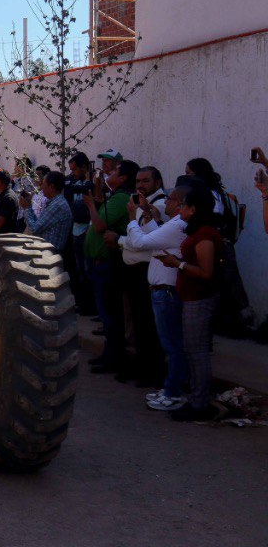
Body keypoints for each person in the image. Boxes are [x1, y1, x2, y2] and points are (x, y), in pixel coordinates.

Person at [155, 186, 224, 422]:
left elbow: (206, 272)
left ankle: (200, 404)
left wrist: (177, 264)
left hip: (200, 299)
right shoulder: (198, 231)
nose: (180, 208)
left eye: (184, 205)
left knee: (197, 353)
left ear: (193, 209)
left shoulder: (205, 235)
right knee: (193, 351)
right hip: (192, 298)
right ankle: (197, 399)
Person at [124, 183, 191, 410]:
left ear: (181, 204)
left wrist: (132, 217)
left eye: (171, 199)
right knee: (170, 344)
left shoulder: (179, 224)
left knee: (172, 345)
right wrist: (148, 215)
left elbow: (140, 242)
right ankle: (171, 387)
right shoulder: (175, 223)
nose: (167, 203)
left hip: (167, 292)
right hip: (163, 291)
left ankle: (174, 392)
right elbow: (155, 235)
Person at [83, 159, 137, 376]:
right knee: (107, 312)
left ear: (123, 177)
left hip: (109, 263)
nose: (109, 173)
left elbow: (99, 225)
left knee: (111, 314)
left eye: (114, 171)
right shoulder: (115, 196)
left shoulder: (122, 198)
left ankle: (115, 358)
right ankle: (109, 355)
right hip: (102, 262)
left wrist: (90, 206)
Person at [115, 167, 168, 386]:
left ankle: (151, 372)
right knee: (136, 322)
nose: (140, 185)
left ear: (157, 181)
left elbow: (146, 243)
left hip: (147, 270)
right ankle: (139, 367)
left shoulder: (162, 205)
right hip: (133, 270)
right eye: (138, 181)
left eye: (146, 181)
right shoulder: (138, 203)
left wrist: (119, 240)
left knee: (148, 324)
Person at [186, 156, 251, 334]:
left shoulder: (211, 193)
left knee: (228, 284)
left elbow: (215, 218)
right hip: (216, 244)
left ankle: (242, 322)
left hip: (217, 244)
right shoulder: (211, 191)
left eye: (189, 174)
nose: (187, 178)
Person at [65, 152, 95, 313]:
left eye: (75, 169)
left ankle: (90, 306)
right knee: (80, 271)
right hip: (76, 231)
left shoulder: (91, 185)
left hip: (86, 232)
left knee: (89, 272)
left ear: (84, 167)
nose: (72, 173)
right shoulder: (75, 184)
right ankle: (82, 303)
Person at [19, 170, 71, 250]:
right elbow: (39, 225)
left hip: (48, 255)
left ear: (51, 187)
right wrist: (29, 205)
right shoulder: (55, 202)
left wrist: (26, 208)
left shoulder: (57, 205)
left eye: (43, 183)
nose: (41, 186)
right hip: (44, 251)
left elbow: (34, 229)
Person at [0, 169, 22, 236]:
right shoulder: (4, 194)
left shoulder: (8, 197)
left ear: (0, 182)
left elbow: (2, 219)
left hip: (3, 238)